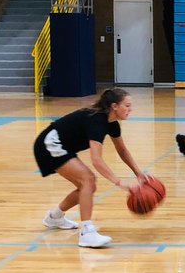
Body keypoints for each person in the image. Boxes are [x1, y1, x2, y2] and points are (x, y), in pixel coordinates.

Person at [36, 88, 147, 248]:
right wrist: (119, 182)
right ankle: (86, 233)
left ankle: (55, 217)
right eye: (127, 105)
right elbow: (96, 160)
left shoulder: (112, 124)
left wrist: (138, 173)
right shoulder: (97, 121)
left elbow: (122, 151)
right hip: (49, 144)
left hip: (60, 146)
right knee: (88, 180)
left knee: (88, 185)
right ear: (115, 106)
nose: (131, 109)